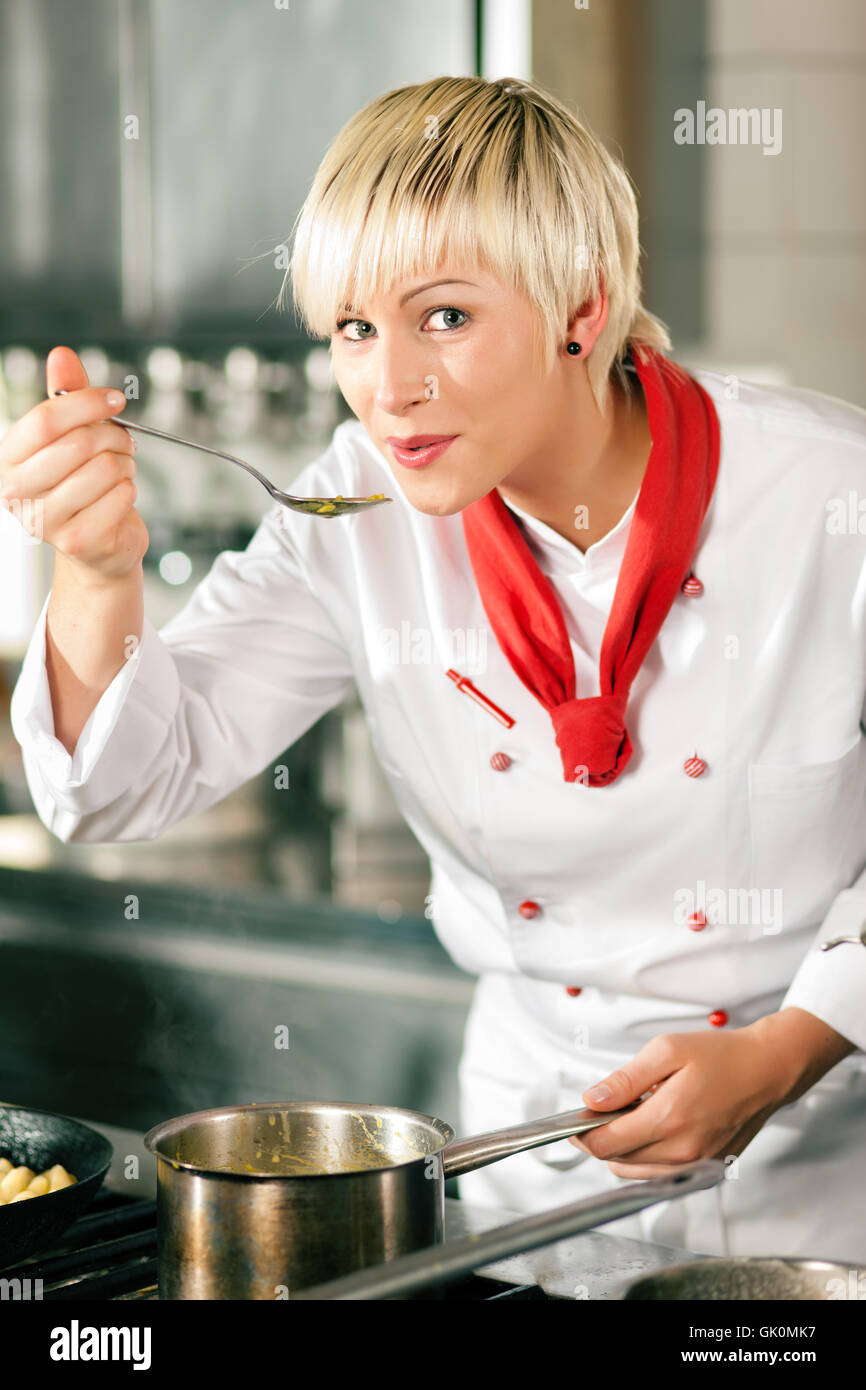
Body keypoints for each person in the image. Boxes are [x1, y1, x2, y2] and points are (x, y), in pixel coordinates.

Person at [3, 75, 866, 1262]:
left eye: (444, 318)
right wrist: (98, 574)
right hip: (530, 1172)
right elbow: (116, 787)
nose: (388, 387)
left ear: (581, 306)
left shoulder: (827, 493)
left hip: (819, 1176)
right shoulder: (352, 507)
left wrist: (784, 1050)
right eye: (354, 327)